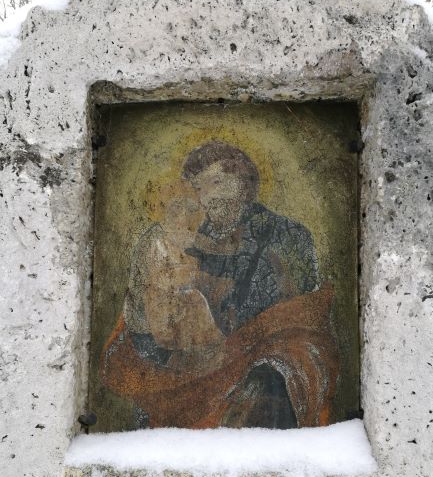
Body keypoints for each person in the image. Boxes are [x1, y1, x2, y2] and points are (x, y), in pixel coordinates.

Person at [101, 141, 338, 429]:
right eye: (198, 187)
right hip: (188, 359)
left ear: (245, 185)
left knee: (265, 384)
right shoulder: (174, 235)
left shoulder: (288, 234)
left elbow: (300, 316)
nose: (208, 196)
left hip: (265, 357)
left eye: (217, 182)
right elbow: (145, 314)